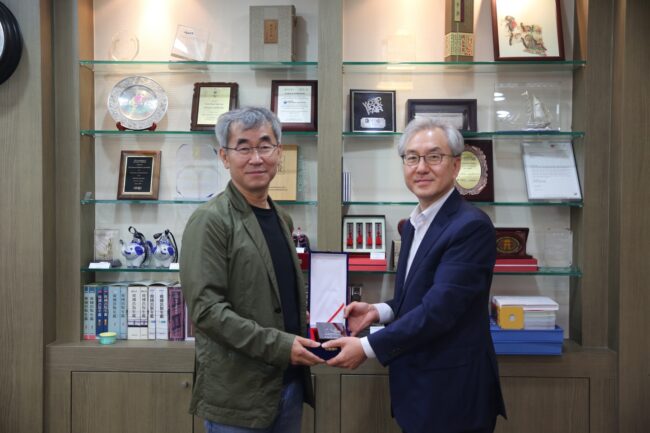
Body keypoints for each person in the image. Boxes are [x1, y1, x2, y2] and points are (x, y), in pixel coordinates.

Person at [323, 117, 507, 433]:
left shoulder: (470, 226)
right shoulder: (414, 224)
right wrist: (377, 311)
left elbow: (438, 311)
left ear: (456, 165)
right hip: (418, 387)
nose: (421, 167)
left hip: (454, 394)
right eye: (412, 158)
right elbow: (417, 296)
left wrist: (367, 347)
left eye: (434, 156)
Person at [180, 107, 324, 433]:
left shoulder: (282, 218)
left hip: (288, 385)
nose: (256, 158)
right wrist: (281, 346)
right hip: (238, 396)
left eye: (265, 146)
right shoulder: (210, 220)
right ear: (224, 156)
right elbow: (207, 311)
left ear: (279, 153)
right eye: (243, 147)